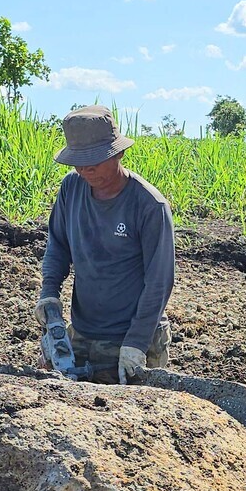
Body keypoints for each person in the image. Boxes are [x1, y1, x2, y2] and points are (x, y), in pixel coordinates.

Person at [37, 105, 175, 383]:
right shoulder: (71, 189)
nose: (86, 169)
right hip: (84, 331)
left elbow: (159, 282)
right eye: (79, 161)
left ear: (119, 153)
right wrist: (49, 292)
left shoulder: (149, 205)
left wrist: (136, 343)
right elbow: (58, 246)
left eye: (95, 161)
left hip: (133, 336)